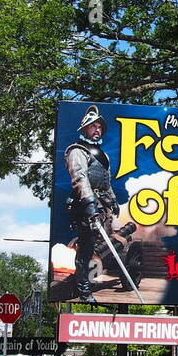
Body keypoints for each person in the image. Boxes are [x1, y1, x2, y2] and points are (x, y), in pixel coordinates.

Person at [63, 105, 136, 302]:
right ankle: (84, 292)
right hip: (84, 207)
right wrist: (89, 204)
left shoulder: (103, 156)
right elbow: (80, 179)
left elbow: (105, 183)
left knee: (106, 245)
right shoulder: (76, 151)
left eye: (99, 127)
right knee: (86, 249)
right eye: (93, 126)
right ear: (85, 129)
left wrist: (112, 201)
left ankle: (97, 279)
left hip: (102, 209)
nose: (97, 130)